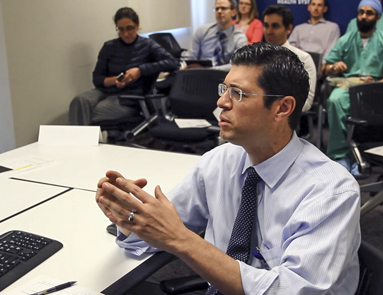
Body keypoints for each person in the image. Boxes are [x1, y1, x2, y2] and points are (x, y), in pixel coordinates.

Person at [95, 42, 361, 295]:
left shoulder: (330, 191)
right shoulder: (221, 161)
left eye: (238, 94)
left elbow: (291, 290)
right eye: (224, 89)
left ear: (283, 108)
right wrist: (130, 219)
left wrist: (182, 240)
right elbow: (162, 231)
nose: (221, 103)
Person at [324, 0, 383, 171]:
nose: (364, 16)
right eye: (361, 12)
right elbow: (325, 69)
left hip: (376, 89)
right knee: (334, 100)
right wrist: (333, 67)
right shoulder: (347, 39)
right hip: (348, 88)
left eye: (369, 13)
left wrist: (376, 84)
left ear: (378, 17)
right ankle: (340, 156)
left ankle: (369, 156)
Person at [68, 7, 178, 125]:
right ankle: (81, 140)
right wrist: (116, 80)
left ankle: (82, 140)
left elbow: (172, 62)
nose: (125, 34)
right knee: (79, 102)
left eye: (129, 28)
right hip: (105, 91)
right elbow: (97, 79)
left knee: (95, 111)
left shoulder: (148, 45)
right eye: (121, 29)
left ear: (137, 25)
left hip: (130, 97)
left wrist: (140, 70)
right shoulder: (109, 46)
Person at [263, 5, 316, 112]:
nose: (269, 31)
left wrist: (275, 110)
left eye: (275, 26)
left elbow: (306, 101)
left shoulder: (303, 59)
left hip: (283, 116)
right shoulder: (256, 57)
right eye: (266, 25)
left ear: (289, 28)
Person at [186, 0, 247, 70]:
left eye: (223, 8)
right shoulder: (202, 31)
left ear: (233, 12)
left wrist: (208, 70)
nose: (219, 11)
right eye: (217, 9)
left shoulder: (240, 38)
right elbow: (191, 58)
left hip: (225, 77)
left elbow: (235, 66)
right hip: (200, 76)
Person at [288, 0, 340, 68]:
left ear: (325, 9)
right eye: (313, 4)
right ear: (309, 7)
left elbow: (331, 49)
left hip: (319, 65)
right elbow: (290, 47)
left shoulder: (332, 27)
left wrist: (324, 64)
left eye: (319, 5)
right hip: (298, 64)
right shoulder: (298, 28)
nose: (316, 8)